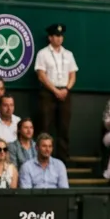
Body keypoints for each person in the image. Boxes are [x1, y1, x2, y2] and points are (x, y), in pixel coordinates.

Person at [34, 23, 77, 161]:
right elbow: (41, 75)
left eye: (61, 36)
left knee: (64, 127)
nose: (59, 39)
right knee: (45, 125)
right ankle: (42, 157)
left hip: (65, 92)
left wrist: (66, 89)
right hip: (48, 93)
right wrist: (54, 90)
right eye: (56, 36)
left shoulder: (68, 54)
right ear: (50, 37)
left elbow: (72, 75)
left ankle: (63, 159)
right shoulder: (43, 53)